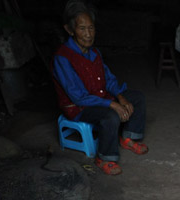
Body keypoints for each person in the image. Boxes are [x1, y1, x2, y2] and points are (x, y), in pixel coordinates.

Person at [52, 0, 148, 176]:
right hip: (79, 107)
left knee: (138, 97)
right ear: (70, 30)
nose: (88, 34)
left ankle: (129, 137)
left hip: (100, 97)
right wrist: (112, 105)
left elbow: (109, 79)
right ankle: (104, 158)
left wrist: (121, 97)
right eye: (82, 29)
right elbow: (78, 97)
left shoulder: (95, 53)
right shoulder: (63, 58)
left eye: (91, 28)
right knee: (110, 117)